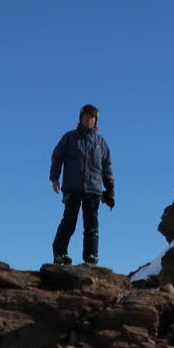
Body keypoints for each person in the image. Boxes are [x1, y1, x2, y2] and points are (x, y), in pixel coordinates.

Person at [49, 103, 114, 266]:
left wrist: (110, 188)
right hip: (73, 187)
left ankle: (91, 256)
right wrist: (54, 177)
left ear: (96, 120)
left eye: (92, 117)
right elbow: (57, 156)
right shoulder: (70, 138)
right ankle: (60, 253)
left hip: (94, 189)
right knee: (69, 222)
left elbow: (106, 167)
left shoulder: (101, 143)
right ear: (81, 118)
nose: (89, 119)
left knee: (92, 224)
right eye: (86, 116)